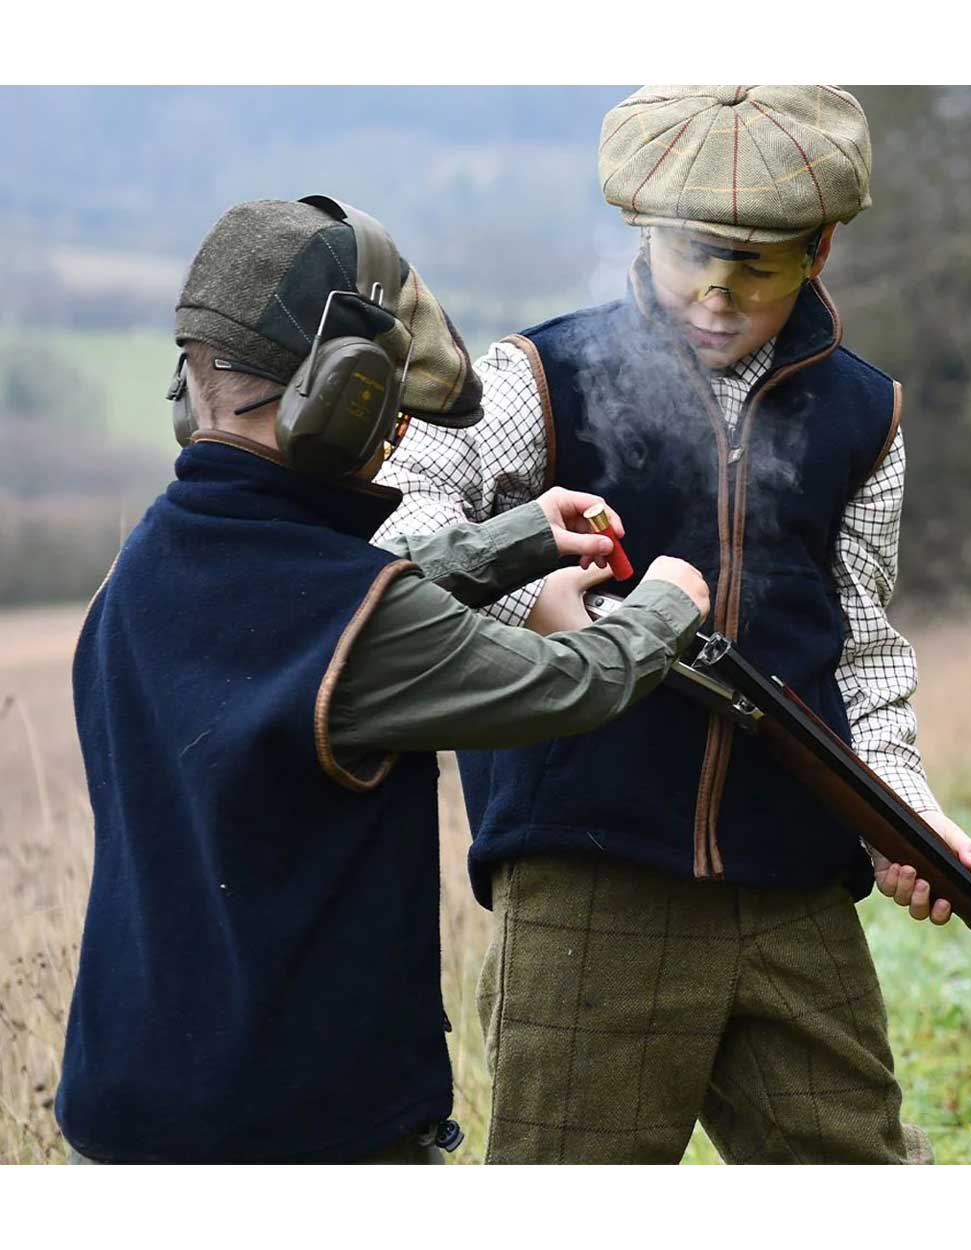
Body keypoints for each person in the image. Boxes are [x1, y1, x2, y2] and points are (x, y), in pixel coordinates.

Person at [374, 86, 971, 1164]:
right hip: (587, 879)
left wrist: (901, 807)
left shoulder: (864, 415)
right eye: (688, 251)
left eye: (752, 261)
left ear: (820, 248)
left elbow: (863, 647)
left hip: (793, 882)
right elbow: (393, 525)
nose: (712, 290)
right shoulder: (537, 376)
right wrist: (533, 594)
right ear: (641, 229)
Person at [55, 195, 709, 1165]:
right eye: (388, 402)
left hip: (122, 1126)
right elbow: (574, 678)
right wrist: (669, 599)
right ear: (346, 395)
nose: (395, 428)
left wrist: (520, 539)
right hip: (305, 1142)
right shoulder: (350, 617)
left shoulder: (145, 563)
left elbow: (314, 626)